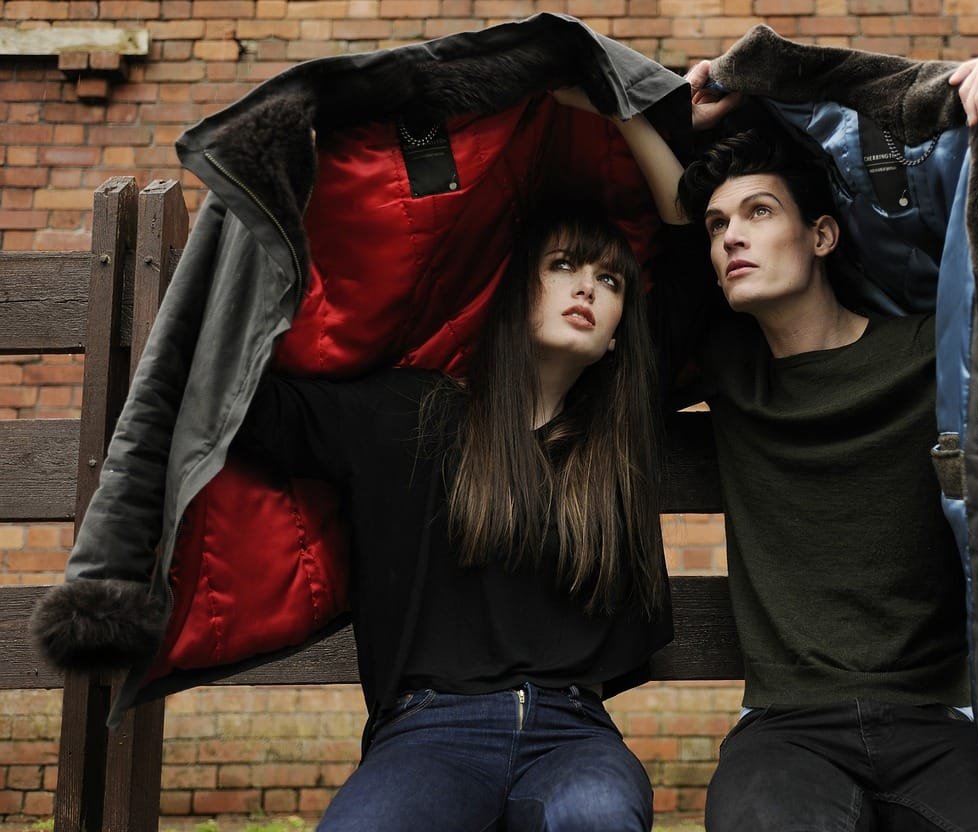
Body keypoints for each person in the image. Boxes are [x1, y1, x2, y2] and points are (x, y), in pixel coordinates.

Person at [569, 33, 978, 831]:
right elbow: (660, 224)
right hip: (787, 731)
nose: (731, 234)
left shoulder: (936, 360)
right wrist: (667, 122)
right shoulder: (725, 365)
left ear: (823, 236)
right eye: (719, 224)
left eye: (760, 212)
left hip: (942, 725)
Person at [231, 211, 671, 831]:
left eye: (611, 281)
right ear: (514, 290)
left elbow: (696, 259)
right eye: (563, 266)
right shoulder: (409, 415)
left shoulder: (612, 458)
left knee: (595, 813)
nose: (587, 289)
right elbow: (251, 408)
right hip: (430, 733)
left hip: (573, 734)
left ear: (619, 334)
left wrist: (633, 120)